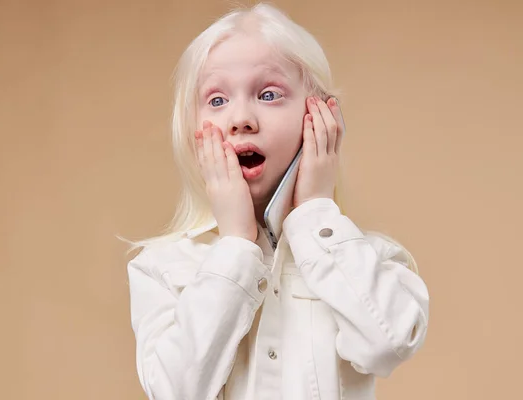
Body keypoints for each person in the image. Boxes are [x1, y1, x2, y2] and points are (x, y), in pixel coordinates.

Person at [124, 3, 429, 399]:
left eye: (268, 94)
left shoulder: (366, 258)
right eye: (216, 101)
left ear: (318, 117)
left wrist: (315, 213)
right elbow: (176, 391)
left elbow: (389, 344)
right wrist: (235, 244)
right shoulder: (160, 268)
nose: (241, 118)